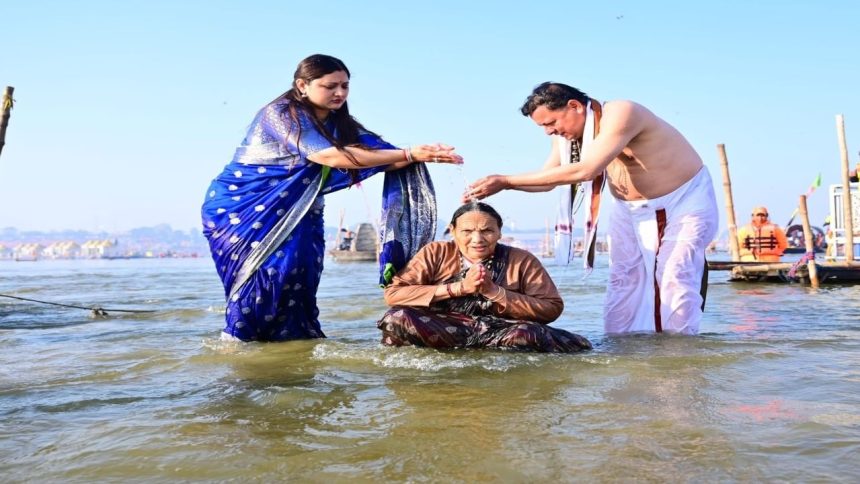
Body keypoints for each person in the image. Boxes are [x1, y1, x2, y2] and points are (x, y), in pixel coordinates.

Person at [202, 54, 462, 342]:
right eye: (330, 86)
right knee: (265, 277)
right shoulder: (280, 113)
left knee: (300, 275)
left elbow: (379, 158)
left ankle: (296, 348)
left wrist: (423, 155)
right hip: (243, 208)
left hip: (303, 210)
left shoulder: (342, 125)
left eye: (345, 86)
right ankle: (240, 347)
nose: (340, 93)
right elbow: (326, 155)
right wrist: (409, 153)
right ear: (302, 85)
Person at [467, 82, 718, 335]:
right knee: (623, 280)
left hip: (683, 200)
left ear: (574, 106)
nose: (548, 132)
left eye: (550, 123)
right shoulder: (566, 138)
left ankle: (679, 353)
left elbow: (588, 169)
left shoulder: (621, 113)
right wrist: (501, 186)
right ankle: (625, 349)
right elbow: (546, 181)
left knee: (675, 273)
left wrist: (507, 180)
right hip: (629, 208)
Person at [378, 202, 591, 352]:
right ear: (452, 231)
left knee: (527, 334)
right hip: (446, 330)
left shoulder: (522, 259)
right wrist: (459, 288)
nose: (477, 239)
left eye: (487, 231)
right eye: (467, 231)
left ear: (500, 232)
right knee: (396, 318)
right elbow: (394, 294)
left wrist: (494, 292)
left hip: (501, 332)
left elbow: (552, 308)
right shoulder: (435, 252)